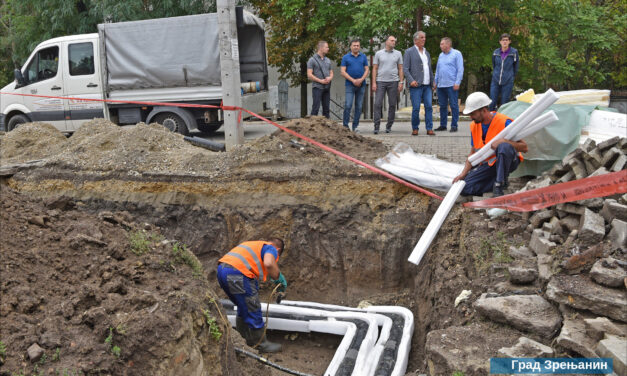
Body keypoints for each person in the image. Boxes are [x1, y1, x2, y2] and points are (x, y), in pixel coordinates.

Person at [217, 238, 288, 353]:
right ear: (278, 250)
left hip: (222, 271)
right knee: (253, 306)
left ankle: (243, 340)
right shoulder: (271, 248)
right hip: (237, 273)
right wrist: (278, 277)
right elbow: (269, 263)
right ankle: (261, 343)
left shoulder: (252, 245)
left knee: (243, 305)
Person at [453, 92, 527, 197]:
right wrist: (463, 174)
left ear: (483, 111)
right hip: (488, 165)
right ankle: (494, 182)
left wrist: (505, 141)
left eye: (473, 114)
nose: (471, 117)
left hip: (507, 161)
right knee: (464, 188)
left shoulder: (504, 122)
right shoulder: (474, 126)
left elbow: (524, 147)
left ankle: (499, 184)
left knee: (504, 147)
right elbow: (472, 154)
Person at [403, 31, 435, 136]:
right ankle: (415, 128)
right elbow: (405, 69)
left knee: (429, 107)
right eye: (421, 37)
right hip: (416, 85)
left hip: (427, 85)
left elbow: (429, 69)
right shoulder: (409, 52)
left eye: (424, 37)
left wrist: (433, 81)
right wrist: (411, 80)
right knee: (416, 108)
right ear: (415, 39)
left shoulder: (427, 53)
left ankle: (429, 128)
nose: (424, 39)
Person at [372, 35, 404, 134]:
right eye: (392, 40)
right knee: (377, 104)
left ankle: (389, 126)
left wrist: (401, 82)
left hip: (393, 82)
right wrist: (373, 82)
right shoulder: (378, 53)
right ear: (386, 42)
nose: (394, 42)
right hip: (380, 81)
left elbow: (400, 68)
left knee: (392, 104)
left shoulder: (398, 53)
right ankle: (376, 127)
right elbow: (375, 68)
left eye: (395, 41)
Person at [434, 37, 464, 132]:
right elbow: (438, 70)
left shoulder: (457, 54)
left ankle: (454, 125)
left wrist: (457, 82)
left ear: (448, 44)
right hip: (441, 85)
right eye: (440, 44)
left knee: (454, 105)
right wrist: (435, 81)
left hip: (452, 84)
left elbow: (460, 69)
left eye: (442, 44)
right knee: (442, 105)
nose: (440, 46)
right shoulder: (440, 55)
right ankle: (443, 125)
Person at [340, 39, 369, 131]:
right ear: (351, 47)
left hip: (361, 85)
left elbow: (367, 70)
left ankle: (355, 126)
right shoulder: (345, 57)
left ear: (359, 47)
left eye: (357, 45)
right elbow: (342, 72)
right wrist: (353, 80)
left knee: (359, 106)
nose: (356, 47)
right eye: (354, 45)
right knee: (348, 105)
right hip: (350, 84)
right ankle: (345, 126)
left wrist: (361, 80)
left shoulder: (363, 57)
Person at [489, 33, 519, 111]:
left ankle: (502, 121)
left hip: (508, 81)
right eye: (503, 40)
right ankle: (490, 121)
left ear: (509, 41)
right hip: (495, 80)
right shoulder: (495, 52)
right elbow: (494, 65)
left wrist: (511, 77)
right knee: (492, 102)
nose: (504, 42)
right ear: (500, 42)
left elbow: (516, 66)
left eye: (506, 40)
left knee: (504, 103)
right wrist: (496, 74)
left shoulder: (514, 52)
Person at [307, 41, 333, 118]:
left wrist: (330, 78)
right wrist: (320, 81)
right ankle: (311, 127)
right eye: (326, 47)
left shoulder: (328, 60)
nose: (328, 49)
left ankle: (327, 128)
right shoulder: (312, 60)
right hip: (317, 87)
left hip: (327, 87)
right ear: (321, 48)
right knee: (315, 108)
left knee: (326, 109)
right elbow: (309, 75)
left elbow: (331, 72)